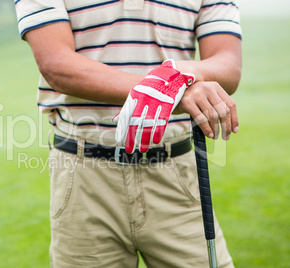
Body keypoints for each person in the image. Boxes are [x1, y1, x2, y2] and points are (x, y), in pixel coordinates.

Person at [14, 0, 242, 267]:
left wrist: (181, 76)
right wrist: (163, 91)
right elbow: (56, 64)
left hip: (176, 174)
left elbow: (228, 64)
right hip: (84, 182)